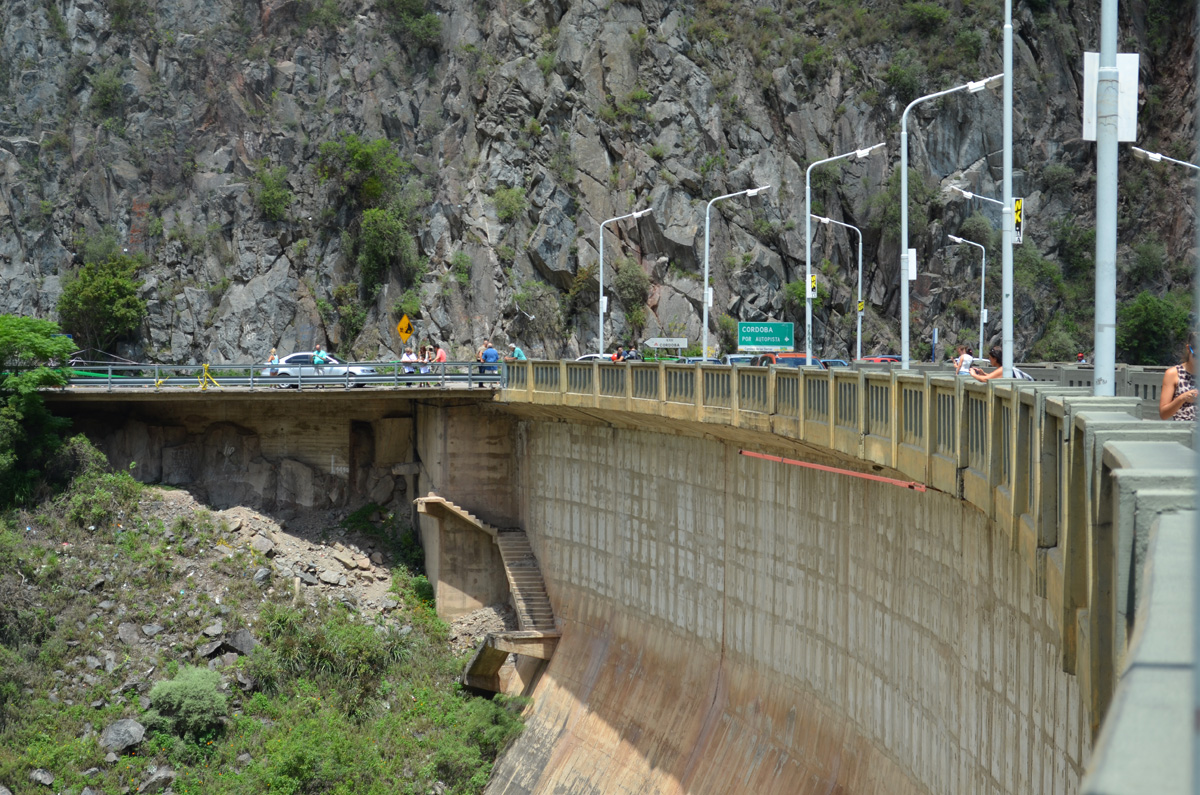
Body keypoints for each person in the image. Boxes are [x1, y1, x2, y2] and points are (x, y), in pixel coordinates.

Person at [1159, 332, 1197, 421]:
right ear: (1188, 349)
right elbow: (1163, 414)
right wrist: (1182, 398)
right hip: (1184, 429)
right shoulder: (1173, 374)